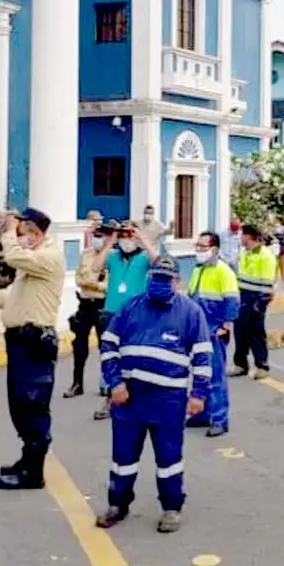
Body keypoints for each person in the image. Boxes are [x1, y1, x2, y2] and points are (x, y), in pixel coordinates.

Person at [95, 255, 211, 533]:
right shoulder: (130, 307)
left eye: (166, 279)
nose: (159, 283)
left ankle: (171, 507)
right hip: (129, 398)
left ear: (177, 281)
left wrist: (199, 395)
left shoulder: (191, 313)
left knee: (169, 457)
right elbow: (108, 345)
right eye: (155, 277)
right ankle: (118, 505)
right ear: (149, 278)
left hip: (168, 401)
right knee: (123, 457)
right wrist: (115, 384)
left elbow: (203, 357)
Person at [0, 208, 66, 491]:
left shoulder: (49, 257)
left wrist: (9, 233)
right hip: (20, 340)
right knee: (19, 403)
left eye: (24, 234)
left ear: (36, 233)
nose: (20, 239)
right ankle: (26, 460)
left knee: (33, 404)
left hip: (34, 340)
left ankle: (33, 472)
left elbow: (12, 256)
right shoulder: (34, 259)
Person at [92, 220, 156, 420]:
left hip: (136, 314)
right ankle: (111, 395)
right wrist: (110, 242)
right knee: (110, 356)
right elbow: (95, 267)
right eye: (123, 235)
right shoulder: (113, 257)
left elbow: (159, 261)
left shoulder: (144, 258)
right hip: (111, 312)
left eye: (129, 235)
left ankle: (135, 396)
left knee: (133, 356)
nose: (126, 240)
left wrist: (142, 238)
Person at [186, 232, 239, 437]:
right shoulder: (198, 270)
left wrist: (224, 326)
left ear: (214, 249)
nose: (198, 250)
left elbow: (232, 302)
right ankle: (202, 414)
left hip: (214, 331)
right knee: (201, 375)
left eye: (202, 246)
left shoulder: (223, 271)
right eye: (197, 246)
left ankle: (219, 419)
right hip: (198, 332)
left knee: (216, 376)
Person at [66, 222, 113, 398]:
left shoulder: (113, 257)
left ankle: (107, 383)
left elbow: (110, 285)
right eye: (96, 235)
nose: (97, 239)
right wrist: (91, 283)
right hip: (85, 304)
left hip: (102, 305)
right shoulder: (86, 254)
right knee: (79, 345)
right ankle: (77, 383)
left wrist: (95, 284)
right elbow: (79, 278)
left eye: (101, 236)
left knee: (106, 346)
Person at [233, 224, 276, 379]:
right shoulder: (245, 253)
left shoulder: (265, 256)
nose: (240, 238)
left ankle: (262, 365)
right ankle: (240, 364)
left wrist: (260, 305)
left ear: (249, 237)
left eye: (242, 235)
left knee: (256, 334)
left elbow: (267, 284)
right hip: (242, 298)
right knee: (240, 332)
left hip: (256, 300)